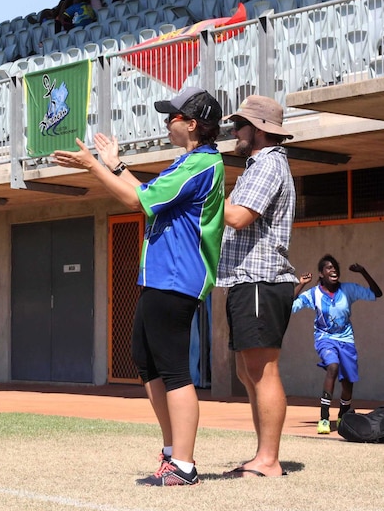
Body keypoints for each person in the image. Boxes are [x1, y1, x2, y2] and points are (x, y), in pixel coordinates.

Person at [52, 87, 225, 486]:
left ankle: (184, 464)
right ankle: (170, 453)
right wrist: (114, 165)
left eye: (173, 116)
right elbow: (145, 194)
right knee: (145, 360)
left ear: (192, 124)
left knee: (174, 370)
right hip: (161, 278)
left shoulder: (201, 164)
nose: (167, 121)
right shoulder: (190, 162)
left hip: (178, 279)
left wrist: (94, 168)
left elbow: (136, 203)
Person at [217, 95, 297, 478]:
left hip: (260, 279)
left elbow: (237, 217)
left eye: (241, 125)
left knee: (261, 371)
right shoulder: (258, 165)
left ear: (260, 130)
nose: (234, 130)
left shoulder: (267, 164)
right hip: (248, 281)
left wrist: (199, 192)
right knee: (248, 372)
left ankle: (268, 460)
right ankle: (262, 455)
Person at [292, 256, 381, 434]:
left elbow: (376, 293)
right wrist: (301, 284)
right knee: (332, 366)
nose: (334, 271)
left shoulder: (348, 289)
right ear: (321, 273)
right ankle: (324, 418)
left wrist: (363, 272)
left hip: (346, 339)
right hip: (324, 338)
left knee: (348, 381)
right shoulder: (314, 293)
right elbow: (289, 304)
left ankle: (342, 415)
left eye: (335, 268)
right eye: (329, 268)